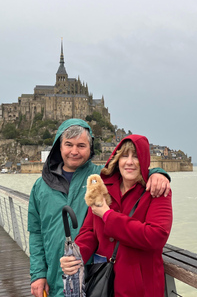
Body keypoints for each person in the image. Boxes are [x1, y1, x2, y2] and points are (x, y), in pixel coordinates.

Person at [28, 119, 171, 297]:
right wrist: (38, 274)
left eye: (81, 145)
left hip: (93, 278)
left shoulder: (98, 179)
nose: (74, 151)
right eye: (68, 145)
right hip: (56, 274)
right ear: (59, 146)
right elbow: (35, 232)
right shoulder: (40, 186)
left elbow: (131, 168)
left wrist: (158, 173)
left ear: (90, 149)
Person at [60, 134, 173, 296]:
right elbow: (89, 232)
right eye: (124, 156)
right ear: (117, 159)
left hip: (141, 288)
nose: (129, 162)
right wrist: (76, 257)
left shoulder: (157, 191)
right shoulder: (102, 187)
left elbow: (156, 236)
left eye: (136, 156)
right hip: (103, 283)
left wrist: (107, 215)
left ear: (145, 160)